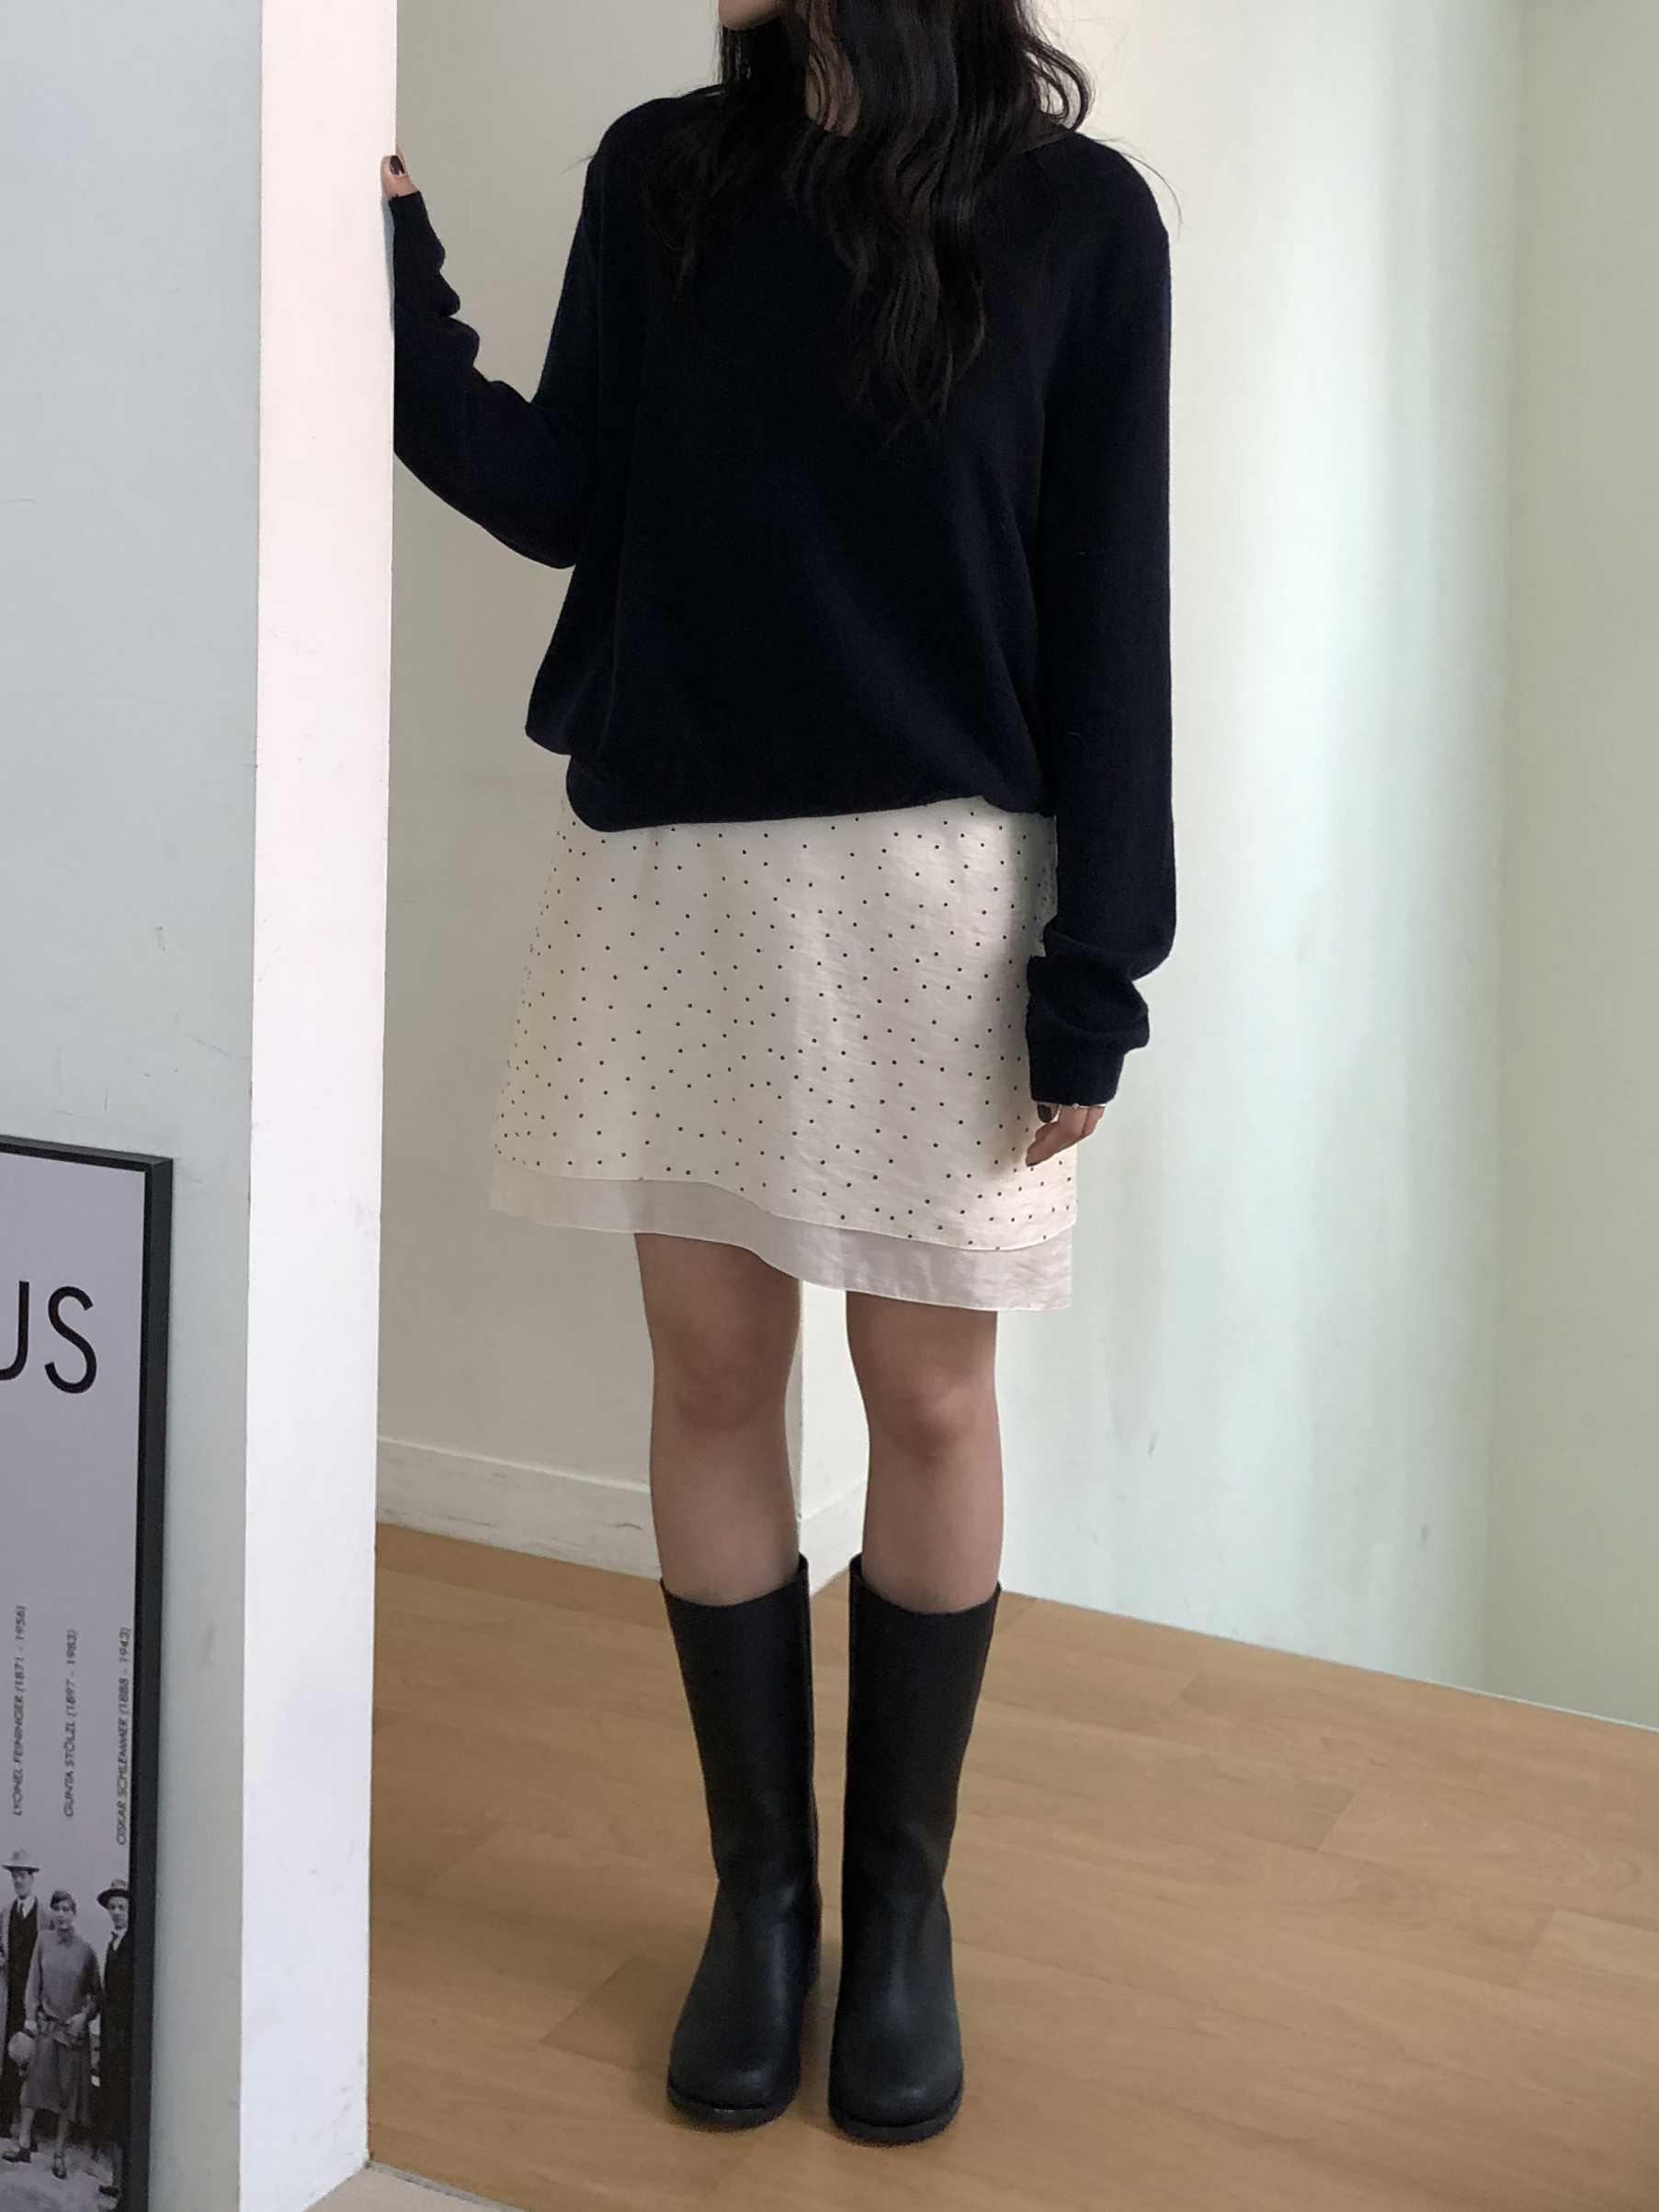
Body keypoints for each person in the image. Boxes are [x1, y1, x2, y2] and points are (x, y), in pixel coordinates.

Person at [381, 0, 1173, 2148]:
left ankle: (898, 1914)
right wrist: (390, 286)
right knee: (713, 1376)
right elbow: (563, 489)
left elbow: (1108, 605)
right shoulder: (663, 171)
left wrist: (1096, 963)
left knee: (925, 1392)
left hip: (945, 899)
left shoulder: (1075, 217)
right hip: (682, 880)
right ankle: (763, 1900)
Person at [2, 1887, 103, 2180]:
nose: (61, 1915)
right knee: (31, 2088)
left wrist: (83, 2017)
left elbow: (96, 1995)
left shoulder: (86, 1951)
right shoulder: (43, 1941)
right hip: (45, 2029)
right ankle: (23, 2145)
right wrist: (30, 2017)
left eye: (67, 1909)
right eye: (57, 1909)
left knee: (66, 2096)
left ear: (74, 1914)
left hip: (70, 2035)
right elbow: (33, 1982)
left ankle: (59, 2155)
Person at [95, 1879, 132, 2207]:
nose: (116, 1913)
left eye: (122, 1907)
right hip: (111, 2040)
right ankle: (117, 2183)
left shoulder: (134, 1946)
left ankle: (127, 2192)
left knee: (124, 2116)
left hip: (127, 2043)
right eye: (112, 1908)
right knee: (113, 2112)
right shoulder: (113, 1944)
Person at [0, 1847, 40, 2139]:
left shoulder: (45, 1916)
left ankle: (30, 2133)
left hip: (35, 2001)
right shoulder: (5, 1914)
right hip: (11, 1998)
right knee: (8, 2058)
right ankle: (4, 2122)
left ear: (32, 1878)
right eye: (15, 1875)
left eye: (23, 1875)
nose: (18, 1881)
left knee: (33, 2064)